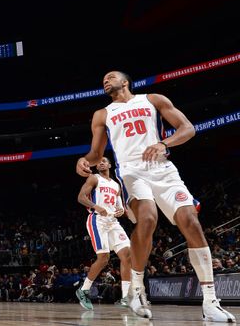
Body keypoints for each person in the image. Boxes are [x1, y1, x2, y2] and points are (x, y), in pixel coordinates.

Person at [76, 71, 235, 322]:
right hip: (132, 173)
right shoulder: (102, 114)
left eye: (111, 76)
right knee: (148, 219)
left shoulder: (153, 99)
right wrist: (85, 161)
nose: (105, 80)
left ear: (126, 82)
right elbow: (96, 153)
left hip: (163, 169)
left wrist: (164, 143)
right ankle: (137, 291)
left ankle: (211, 301)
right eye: (103, 79)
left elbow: (188, 129)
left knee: (191, 222)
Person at [74, 156, 132, 309]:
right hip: (97, 220)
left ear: (109, 165)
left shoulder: (116, 184)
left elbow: (120, 207)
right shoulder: (94, 178)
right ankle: (84, 290)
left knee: (127, 255)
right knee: (104, 259)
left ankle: (126, 297)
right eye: (98, 161)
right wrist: (96, 207)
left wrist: (121, 211)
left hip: (113, 222)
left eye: (104, 161)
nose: (100, 162)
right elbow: (81, 197)